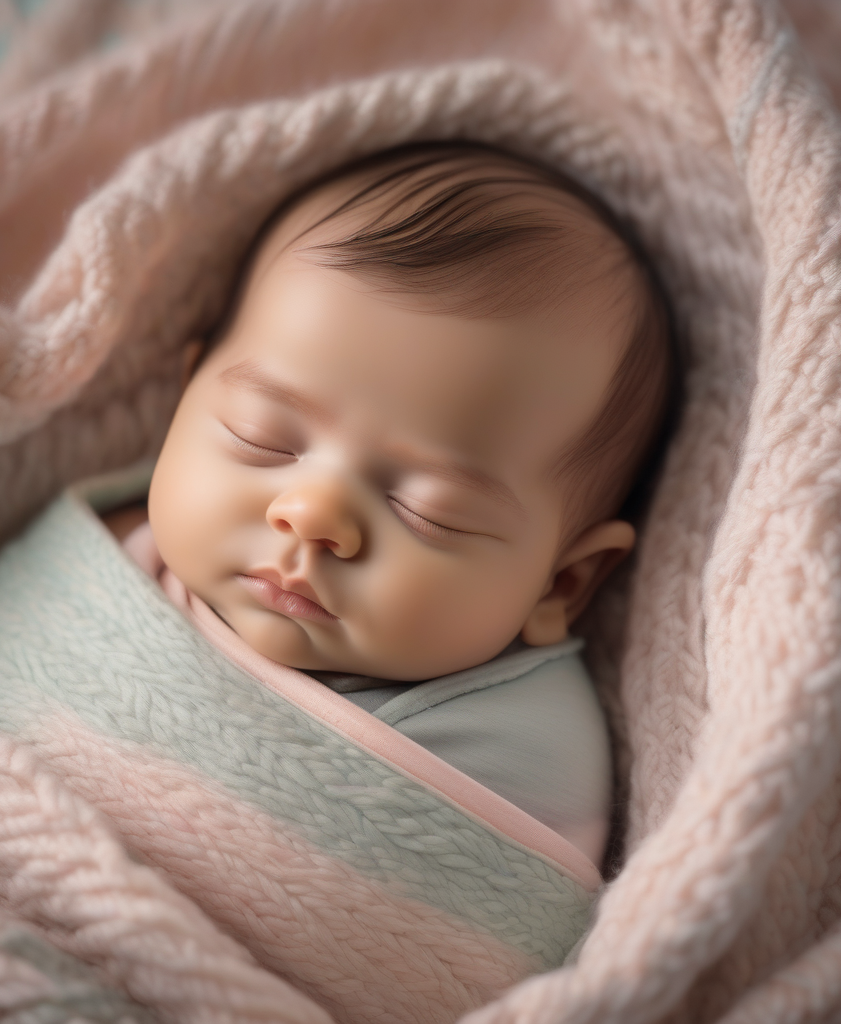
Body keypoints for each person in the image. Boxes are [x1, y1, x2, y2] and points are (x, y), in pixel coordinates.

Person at [101, 141, 676, 859]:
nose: (312, 515)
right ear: (182, 403)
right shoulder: (106, 559)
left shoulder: (520, 756)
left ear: (563, 582)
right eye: (263, 439)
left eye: (429, 512)